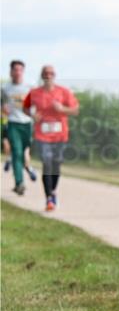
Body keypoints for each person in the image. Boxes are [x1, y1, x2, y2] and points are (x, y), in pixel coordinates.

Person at [23, 65, 80, 211]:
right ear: (42, 76)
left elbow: (75, 110)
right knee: (46, 163)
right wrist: (32, 115)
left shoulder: (64, 92)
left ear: (54, 75)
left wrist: (62, 109)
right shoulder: (34, 93)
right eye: (45, 73)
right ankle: (49, 198)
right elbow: (25, 107)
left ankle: (53, 191)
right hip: (42, 135)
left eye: (51, 73)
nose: (48, 76)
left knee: (56, 164)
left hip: (60, 135)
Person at [2, 60, 38, 195]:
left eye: (20, 70)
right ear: (11, 72)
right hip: (13, 123)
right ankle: (19, 183)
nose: (17, 72)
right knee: (17, 152)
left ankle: (27, 167)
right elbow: (2, 104)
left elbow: (38, 102)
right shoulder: (5, 88)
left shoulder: (30, 86)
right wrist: (2, 108)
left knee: (24, 152)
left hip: (28, 123)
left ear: (23, 71)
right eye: (15, 69)